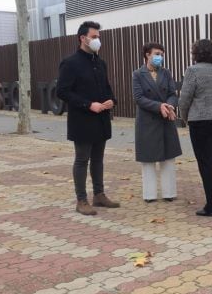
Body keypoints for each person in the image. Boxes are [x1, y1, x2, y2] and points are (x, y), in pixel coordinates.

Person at [56, 21, 120, 216]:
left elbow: (106, 87)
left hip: (101, 119)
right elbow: (62, 92)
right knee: (82, 159)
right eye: (94, 37)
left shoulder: (100, 63)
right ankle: (81, 200)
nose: (97, 40)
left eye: (98, 37)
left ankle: (99, 195)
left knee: (98, 159)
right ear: (82, 38)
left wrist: (111, 100)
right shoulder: (70, 62)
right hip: (82, 120)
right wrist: (88, 104)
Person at [179, 39, 212, 217]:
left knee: (205, 163)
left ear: (196, 53)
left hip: (201, 121)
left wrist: (185, 118)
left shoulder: (193, 71)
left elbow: (185, 99)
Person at [132, 42, 182, 203]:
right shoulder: (138, 74)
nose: (160, 57)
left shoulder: (166, 73)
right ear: (147, 54)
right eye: (157, 53)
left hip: (166, 118)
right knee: (148, 160)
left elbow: (172, 93)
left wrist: (170, 105)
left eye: (161, 54)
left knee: (168, 158)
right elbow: (139, 98)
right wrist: (158, 106)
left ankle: (169, 193)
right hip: (147, 121)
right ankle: (149, 194)